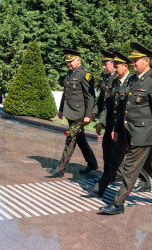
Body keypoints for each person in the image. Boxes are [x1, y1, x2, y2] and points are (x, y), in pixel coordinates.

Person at [100, 42, 152, 214]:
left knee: (130, 167)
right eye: (132, 60)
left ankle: (118, 204)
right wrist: (117, 128)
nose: (133, 63)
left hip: (143, 134)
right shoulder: (133, 80)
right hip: (129, 131)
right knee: (147, 165)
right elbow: (123, 108)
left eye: (136, 60)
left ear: (146, 61)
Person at [86, 49, 150, 195]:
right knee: (113, 155)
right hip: (115, 124)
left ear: (125, 66)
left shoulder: (133, 81)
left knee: (137, 159)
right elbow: (108, 103)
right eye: (113, 66)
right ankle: (106, 181)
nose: (113, 69)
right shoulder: (113, 82)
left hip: (130, 127)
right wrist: (102, 121)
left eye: (116, 66)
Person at [47, 48, 97, 177]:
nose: (68, 64)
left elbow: (90, 96)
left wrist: (87, 115)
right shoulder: (70, 74)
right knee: (80, 139)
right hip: (70, 112)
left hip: (79, 114)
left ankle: (60, 168)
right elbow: (66, 93)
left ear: (78, 60)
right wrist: (61, 109)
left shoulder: (85, 74)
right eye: (67, 62)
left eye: (71, 61)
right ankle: (92, 163)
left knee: (70, 140)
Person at [90, 49, 117, 175]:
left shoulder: (117, 79)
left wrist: (102, 122)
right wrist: (95, 112)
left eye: (106, 64)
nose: (103, 66)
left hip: (115, 121)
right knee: (107, 148)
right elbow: (102, 98)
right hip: (109, 120)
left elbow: (111, 104)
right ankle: (108, 176)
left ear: (113, 64)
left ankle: (112, 175)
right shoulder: (107, 78)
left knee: (119, 151)